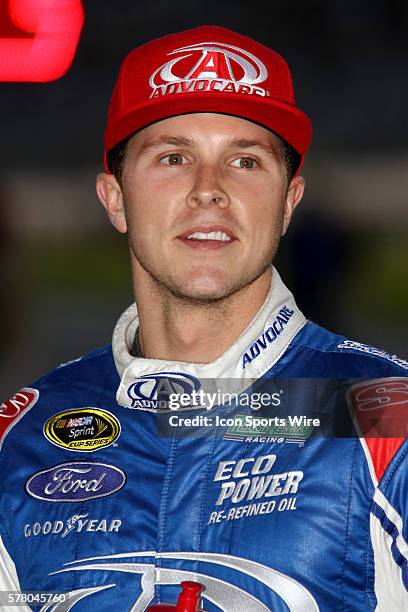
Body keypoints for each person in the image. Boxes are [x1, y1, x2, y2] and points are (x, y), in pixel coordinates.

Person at [1, 25, 407, 612]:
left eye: (244, 160)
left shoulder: (386, 415)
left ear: (289, 201)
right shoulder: (21, 439)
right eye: (173, 157)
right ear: (114, 199)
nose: (208, 191)